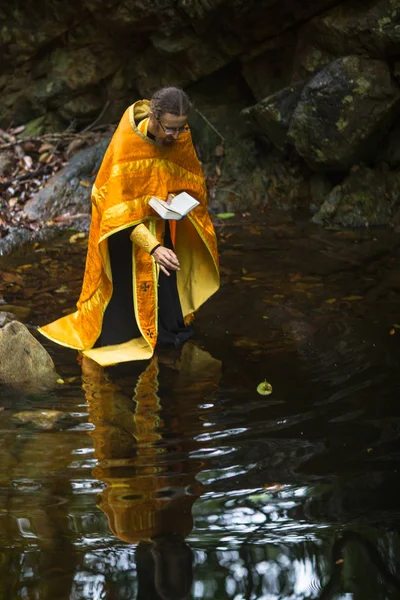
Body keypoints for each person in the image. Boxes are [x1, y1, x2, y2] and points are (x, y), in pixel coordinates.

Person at [39, 87, 220, 366]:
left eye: (181, 127)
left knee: (168, 310)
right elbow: (116, 211)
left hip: (160, 222)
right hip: (123, 233)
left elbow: (187, 180)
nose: (175, 135)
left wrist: (173, 196)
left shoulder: (179, 136)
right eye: (170, 129)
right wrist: (153, 248)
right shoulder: (129, 140)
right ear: (154, 117)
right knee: (121, 332)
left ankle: (164, 336)